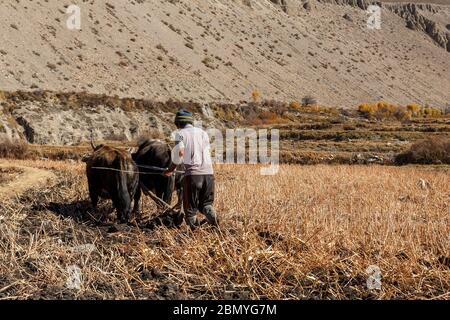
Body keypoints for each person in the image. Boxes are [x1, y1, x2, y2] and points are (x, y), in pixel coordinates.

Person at [164, 110, 219, 229]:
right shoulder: (203, 133)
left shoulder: (180, 134)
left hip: (193, 176)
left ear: (177, 123)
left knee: (190, 210)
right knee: (206, 205)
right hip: (209, 174)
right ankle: (215, 225)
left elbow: (180, 152)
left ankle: (195, 233)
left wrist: (171, 169)